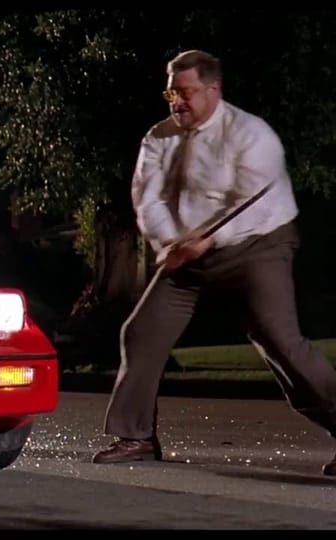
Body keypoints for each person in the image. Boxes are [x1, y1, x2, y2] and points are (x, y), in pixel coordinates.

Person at [91, 49, 336, 475]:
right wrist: (171, 243)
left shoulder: (252, 134)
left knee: (281, 344)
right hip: (186, 252)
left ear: (213, 90)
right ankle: (136, 437)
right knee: (142, 331)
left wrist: (209, 239)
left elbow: (253, 203)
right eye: (171, 93)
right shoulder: (158, 137)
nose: (176, 102)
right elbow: (148, 198)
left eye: (185, 93)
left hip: (257, 244)